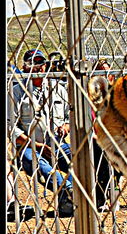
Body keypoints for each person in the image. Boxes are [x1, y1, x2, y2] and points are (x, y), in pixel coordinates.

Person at [8, 49, 74, 217]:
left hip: (57, 144)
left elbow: (69, 117)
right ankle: (67, 190)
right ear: (25, 67)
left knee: (80, 157)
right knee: (35, 161)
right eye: (34, 63)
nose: (39, 67)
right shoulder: (16, 92)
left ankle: (73, 194)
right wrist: (36, 145)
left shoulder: (58, 88)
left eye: (42, 63)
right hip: (29, 146)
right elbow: (11, 128)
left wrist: (65, 127)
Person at [90, 58, 118, 211]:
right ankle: (102, 197)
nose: (106, 77)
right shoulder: (90, 96)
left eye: (108, 73)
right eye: (102, 73)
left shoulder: (116, 94)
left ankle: (115, 192)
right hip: (96, 138)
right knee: (100, 149)